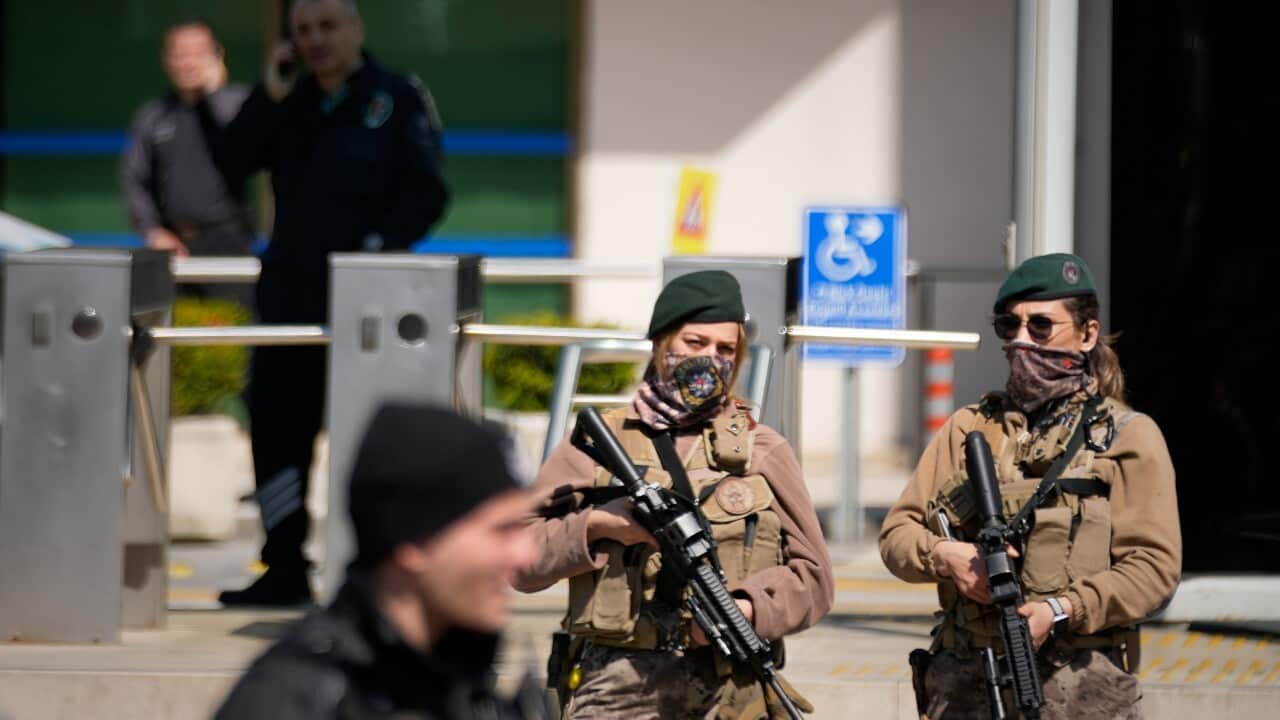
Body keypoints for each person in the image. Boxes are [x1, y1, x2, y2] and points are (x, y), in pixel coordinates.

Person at [209, 0, 450, 606]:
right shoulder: (285, 101)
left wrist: (374, 250)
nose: (315, 40)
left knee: (366, 441)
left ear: (355, 29)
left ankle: (370, 573)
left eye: (327, 27)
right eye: (303, 31)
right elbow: (230, 164)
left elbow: (428, 191)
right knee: (276, 432)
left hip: (367, 306)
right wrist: (267, 94)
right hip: (291, 296)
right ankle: (284, 566)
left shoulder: (395, 96)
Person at [514, 271, 833, 719]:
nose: (710, 359)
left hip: (729, 687)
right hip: (618, 683)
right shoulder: (601, 441)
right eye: (695, 342)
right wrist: (599, 526)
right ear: (661, 344)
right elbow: (517, 560)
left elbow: (814, 578)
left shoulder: (763, 448)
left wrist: (748, 607)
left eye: (726, 349)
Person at [880, 253, 1182, 719]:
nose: (1021, 340)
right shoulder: (969, 428)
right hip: (965, 684)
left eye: (1040, 326)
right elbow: (898, 535)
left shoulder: (1127, 437)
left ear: (1087, 334)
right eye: (1009, 325)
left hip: (1079, 689)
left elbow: (1154, 569)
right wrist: (947, 557)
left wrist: (1062, 609)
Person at [216, 403, 544, 719]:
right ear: (413, 543)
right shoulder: (296, 700)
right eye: (502, 530)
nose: (526, 554)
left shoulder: (459, 677)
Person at [119, 18, 255, 307]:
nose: (188, 63)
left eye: (198, 53)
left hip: (227, 246)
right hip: (173, 248)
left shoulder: (240, 104)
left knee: (231, 339)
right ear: (167, 59)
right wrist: (153, 232)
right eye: (180, 54)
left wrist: (215, 92)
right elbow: (134, 179)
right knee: (168, 340)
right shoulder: (154, 116)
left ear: (217, 56)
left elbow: (247, 145)